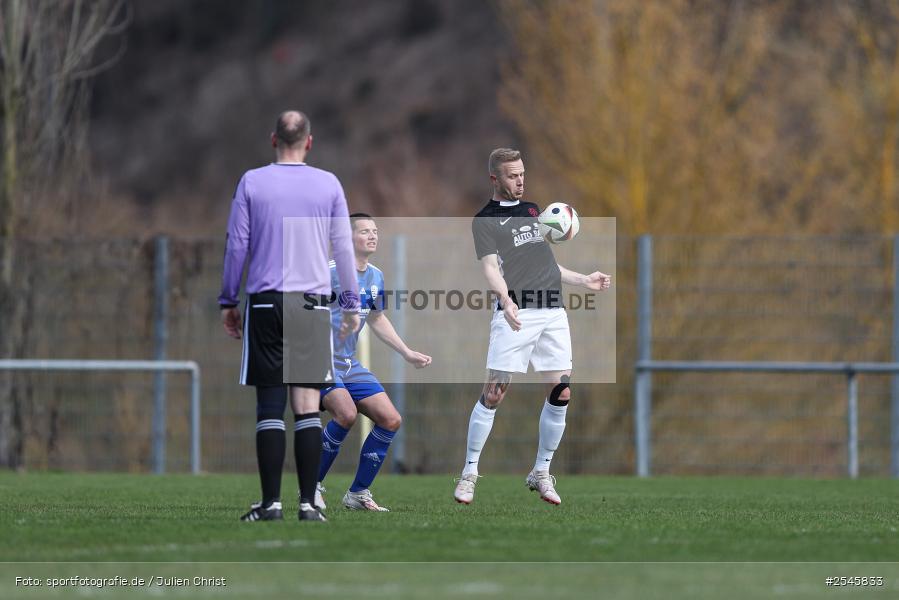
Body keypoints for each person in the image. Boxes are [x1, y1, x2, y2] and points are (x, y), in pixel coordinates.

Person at [219, 110, 360, 523]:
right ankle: (306, 505)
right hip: (311, 304)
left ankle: (270, 505)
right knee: (306, 406)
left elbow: (236, 245)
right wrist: (350, 305)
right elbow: (344, 249)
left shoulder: (252, 181)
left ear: (272, 139)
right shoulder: (328, 184)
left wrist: (228, 299)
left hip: (265, 300)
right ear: (309, 142)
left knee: (270, 406)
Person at [453, 148, 611, 506]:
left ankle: (541, 471)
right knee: (494, 393)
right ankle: (469, 473)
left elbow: (547, 264)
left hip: (553, 311)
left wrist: (583, 280)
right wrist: (506, 300)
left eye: (522, 173)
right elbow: (492, 268)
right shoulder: (485, 220)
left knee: (562, 391)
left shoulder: (532, 211)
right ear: (495, 179)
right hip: (517, 313)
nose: (520, 180)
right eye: (512, 175)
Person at [315, 213, 432, 512]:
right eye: (365, 231)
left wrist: (406, 352)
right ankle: (311, 486)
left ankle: (358, 494)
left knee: (390, 419)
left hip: (347, 363)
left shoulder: (376, 276)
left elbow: (377, 318)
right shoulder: (328, 272)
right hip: (318, 361)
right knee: (346, 413)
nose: (372, 235)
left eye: (375, 231)